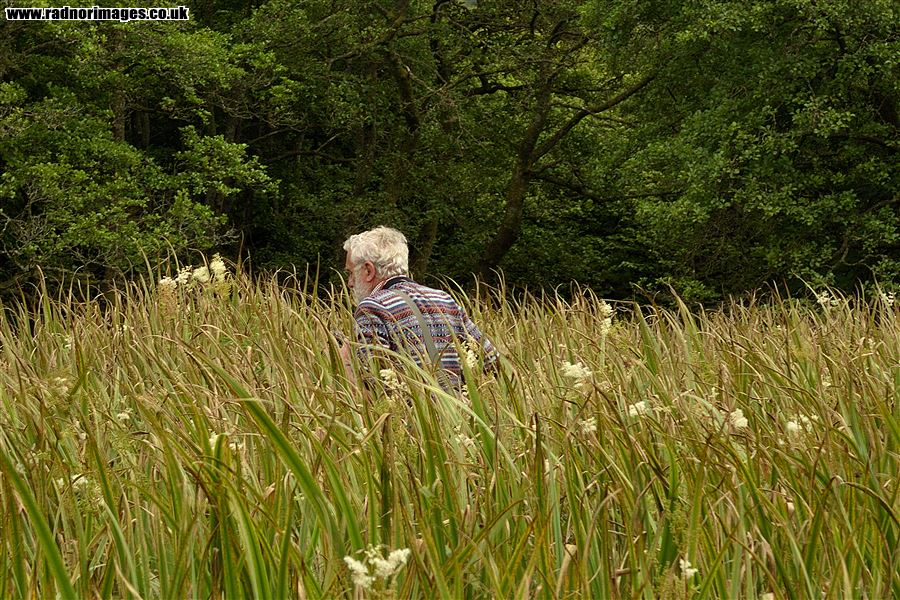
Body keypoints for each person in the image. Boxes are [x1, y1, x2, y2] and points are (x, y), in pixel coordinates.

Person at [338, 226, 498, 389]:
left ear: (368, 270)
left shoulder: (372, 308)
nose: (350, 283)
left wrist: (344, 361)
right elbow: (491, 361)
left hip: (406, 414)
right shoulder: (443, 299)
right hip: (457, 412)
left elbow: (374, 386)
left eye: (350, 273)